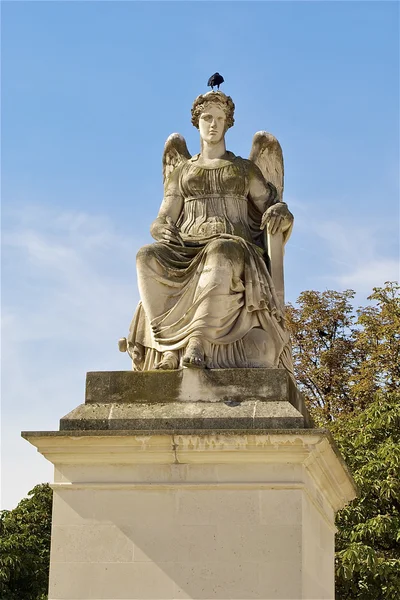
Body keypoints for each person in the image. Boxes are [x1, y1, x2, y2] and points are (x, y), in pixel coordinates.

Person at [124, 91, 294, 371]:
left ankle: (198, 341)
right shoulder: (182, 171)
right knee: (146, 256)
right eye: (207, 118)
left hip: (233, 245)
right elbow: (164, 216)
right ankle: (167, 346)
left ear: (228, 123)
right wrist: (159, 229)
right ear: (197, 122)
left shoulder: (244, 169)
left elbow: (271, 206)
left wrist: (281, 211)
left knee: (218, 251)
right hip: (186, 244)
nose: (213, 125)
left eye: (219, 119)